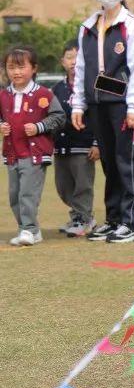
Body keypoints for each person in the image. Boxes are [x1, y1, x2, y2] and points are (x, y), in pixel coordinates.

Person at [71, 0, 134, 244]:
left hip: (122, 103)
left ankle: (133, 222)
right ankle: (114, 218)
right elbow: (81, 68)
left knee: (128, 161)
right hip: (97, 103)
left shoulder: (133, 25)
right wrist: (78, 105)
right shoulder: (88, 26)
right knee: (109, 163)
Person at [2, 46, 65, 246]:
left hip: (35, 153)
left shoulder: (44, 94)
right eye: (11, 67)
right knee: (14, 195)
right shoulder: (3, 95)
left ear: (34, 68)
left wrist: (39, 126)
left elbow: (59, 117)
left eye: (21, 67)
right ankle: (28, 230)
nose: (16, 72)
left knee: (27, 193)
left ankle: (28, 229)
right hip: (12, 153)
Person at [53, 39, 99, 237]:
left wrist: (97, 143)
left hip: (83, 146)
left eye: (77, 57)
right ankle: (78, 216)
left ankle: (84, 218)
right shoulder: (56, 89)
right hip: (61, 146)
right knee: (63, 187)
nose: (73, 61)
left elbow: (99, 117)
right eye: (69, 57)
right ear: (62, 61)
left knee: (83, 185)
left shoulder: (91, 86)